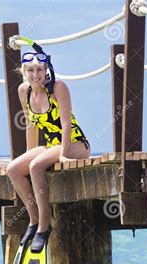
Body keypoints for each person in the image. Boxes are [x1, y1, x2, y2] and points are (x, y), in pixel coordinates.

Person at [6, 48, 90, 253]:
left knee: (36, 166)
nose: (36, 75)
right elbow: (31, 125)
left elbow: (67, 122)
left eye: (40, 70)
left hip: (74, 143)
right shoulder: (23, 91)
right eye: (31, 70)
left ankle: (45, 226)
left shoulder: (57, 88)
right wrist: (28, 153)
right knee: (13, 169)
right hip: (50, 144)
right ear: (24, 72)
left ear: (47, 70)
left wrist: (64, 153)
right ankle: (33, 221)